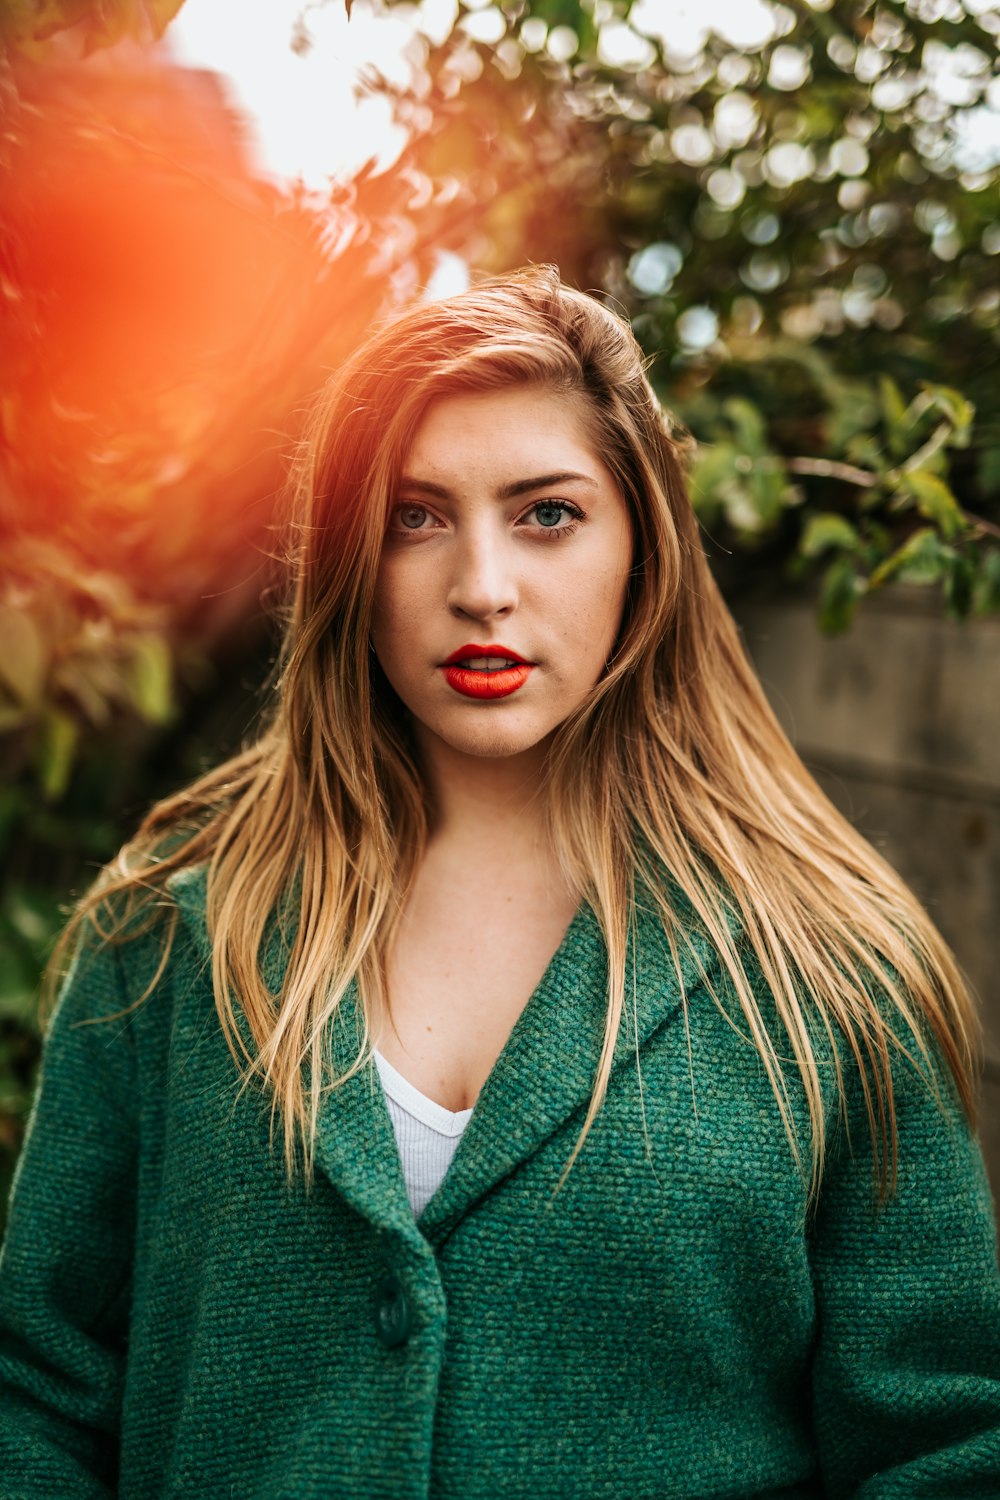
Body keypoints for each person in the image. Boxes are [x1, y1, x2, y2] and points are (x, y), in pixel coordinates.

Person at [1, 264, 999, 1499]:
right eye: (416, 518)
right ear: (348, 566)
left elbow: (944, 1446)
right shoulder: (168, 933)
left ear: (643, 548)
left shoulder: (827, 967)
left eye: (546, 514)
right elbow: (37, 1395)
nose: (481, 584)